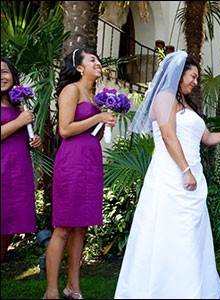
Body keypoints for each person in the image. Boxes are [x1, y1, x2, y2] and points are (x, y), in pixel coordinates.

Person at [114, 51, 220, 299]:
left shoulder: (186, 104)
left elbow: (205, 138)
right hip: (171, 175)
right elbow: (169, 135)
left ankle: (191, 288)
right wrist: (185, 170)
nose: (195, 82)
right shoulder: (163, 97)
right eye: (192, 76)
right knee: (170, 232)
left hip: (191, 174)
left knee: (190, 234)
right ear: (179, 73)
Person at [43, 48, 116, 299]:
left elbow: (90, 133)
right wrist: (98, 118)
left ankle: (73, 286)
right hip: (72, 162)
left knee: (81, 227)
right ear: (79, 67)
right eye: (92, 60)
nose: (98, 62)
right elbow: (64, 129)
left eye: (97, 59)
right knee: (63, 227)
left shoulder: (94, 97)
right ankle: (51, 289)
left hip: (90, 162)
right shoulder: (71, 90)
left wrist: (103, 123)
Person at [1, 57, 42, 262]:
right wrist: (19, 122)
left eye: (4, 71)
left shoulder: (19, 106)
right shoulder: (19, 116)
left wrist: (35, 140)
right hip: (1, 170)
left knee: (11, 224)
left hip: (18, 172)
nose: (1, 76)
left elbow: (21, 138)